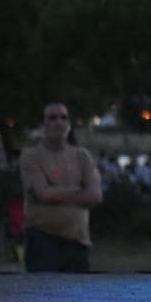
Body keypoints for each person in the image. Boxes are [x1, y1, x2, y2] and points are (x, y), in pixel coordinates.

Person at [17, 103, 102, 273]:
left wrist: (55, 192)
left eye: (64, 117)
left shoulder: (82, 156)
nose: (59, 122)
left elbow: (95, 196)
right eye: (52, 117)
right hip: (42, 240)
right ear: (44, 125)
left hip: (77, 242)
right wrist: (77, 190)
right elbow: (43, 194)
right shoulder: (31, 157)